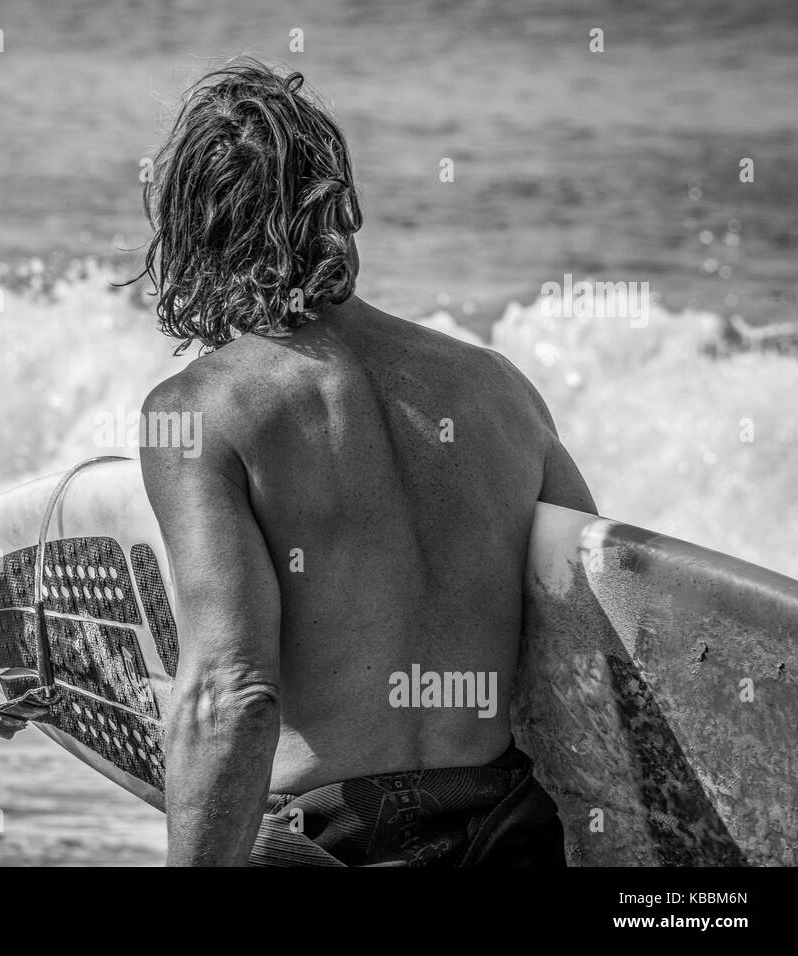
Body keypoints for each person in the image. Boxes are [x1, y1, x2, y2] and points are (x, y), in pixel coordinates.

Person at [132, 58, 597, 866]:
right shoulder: (499, 392)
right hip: (507, 834)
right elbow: (584, 637)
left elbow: (234, 695)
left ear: (192, 229)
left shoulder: (198, 414)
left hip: (333, 841)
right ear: (336, 207)